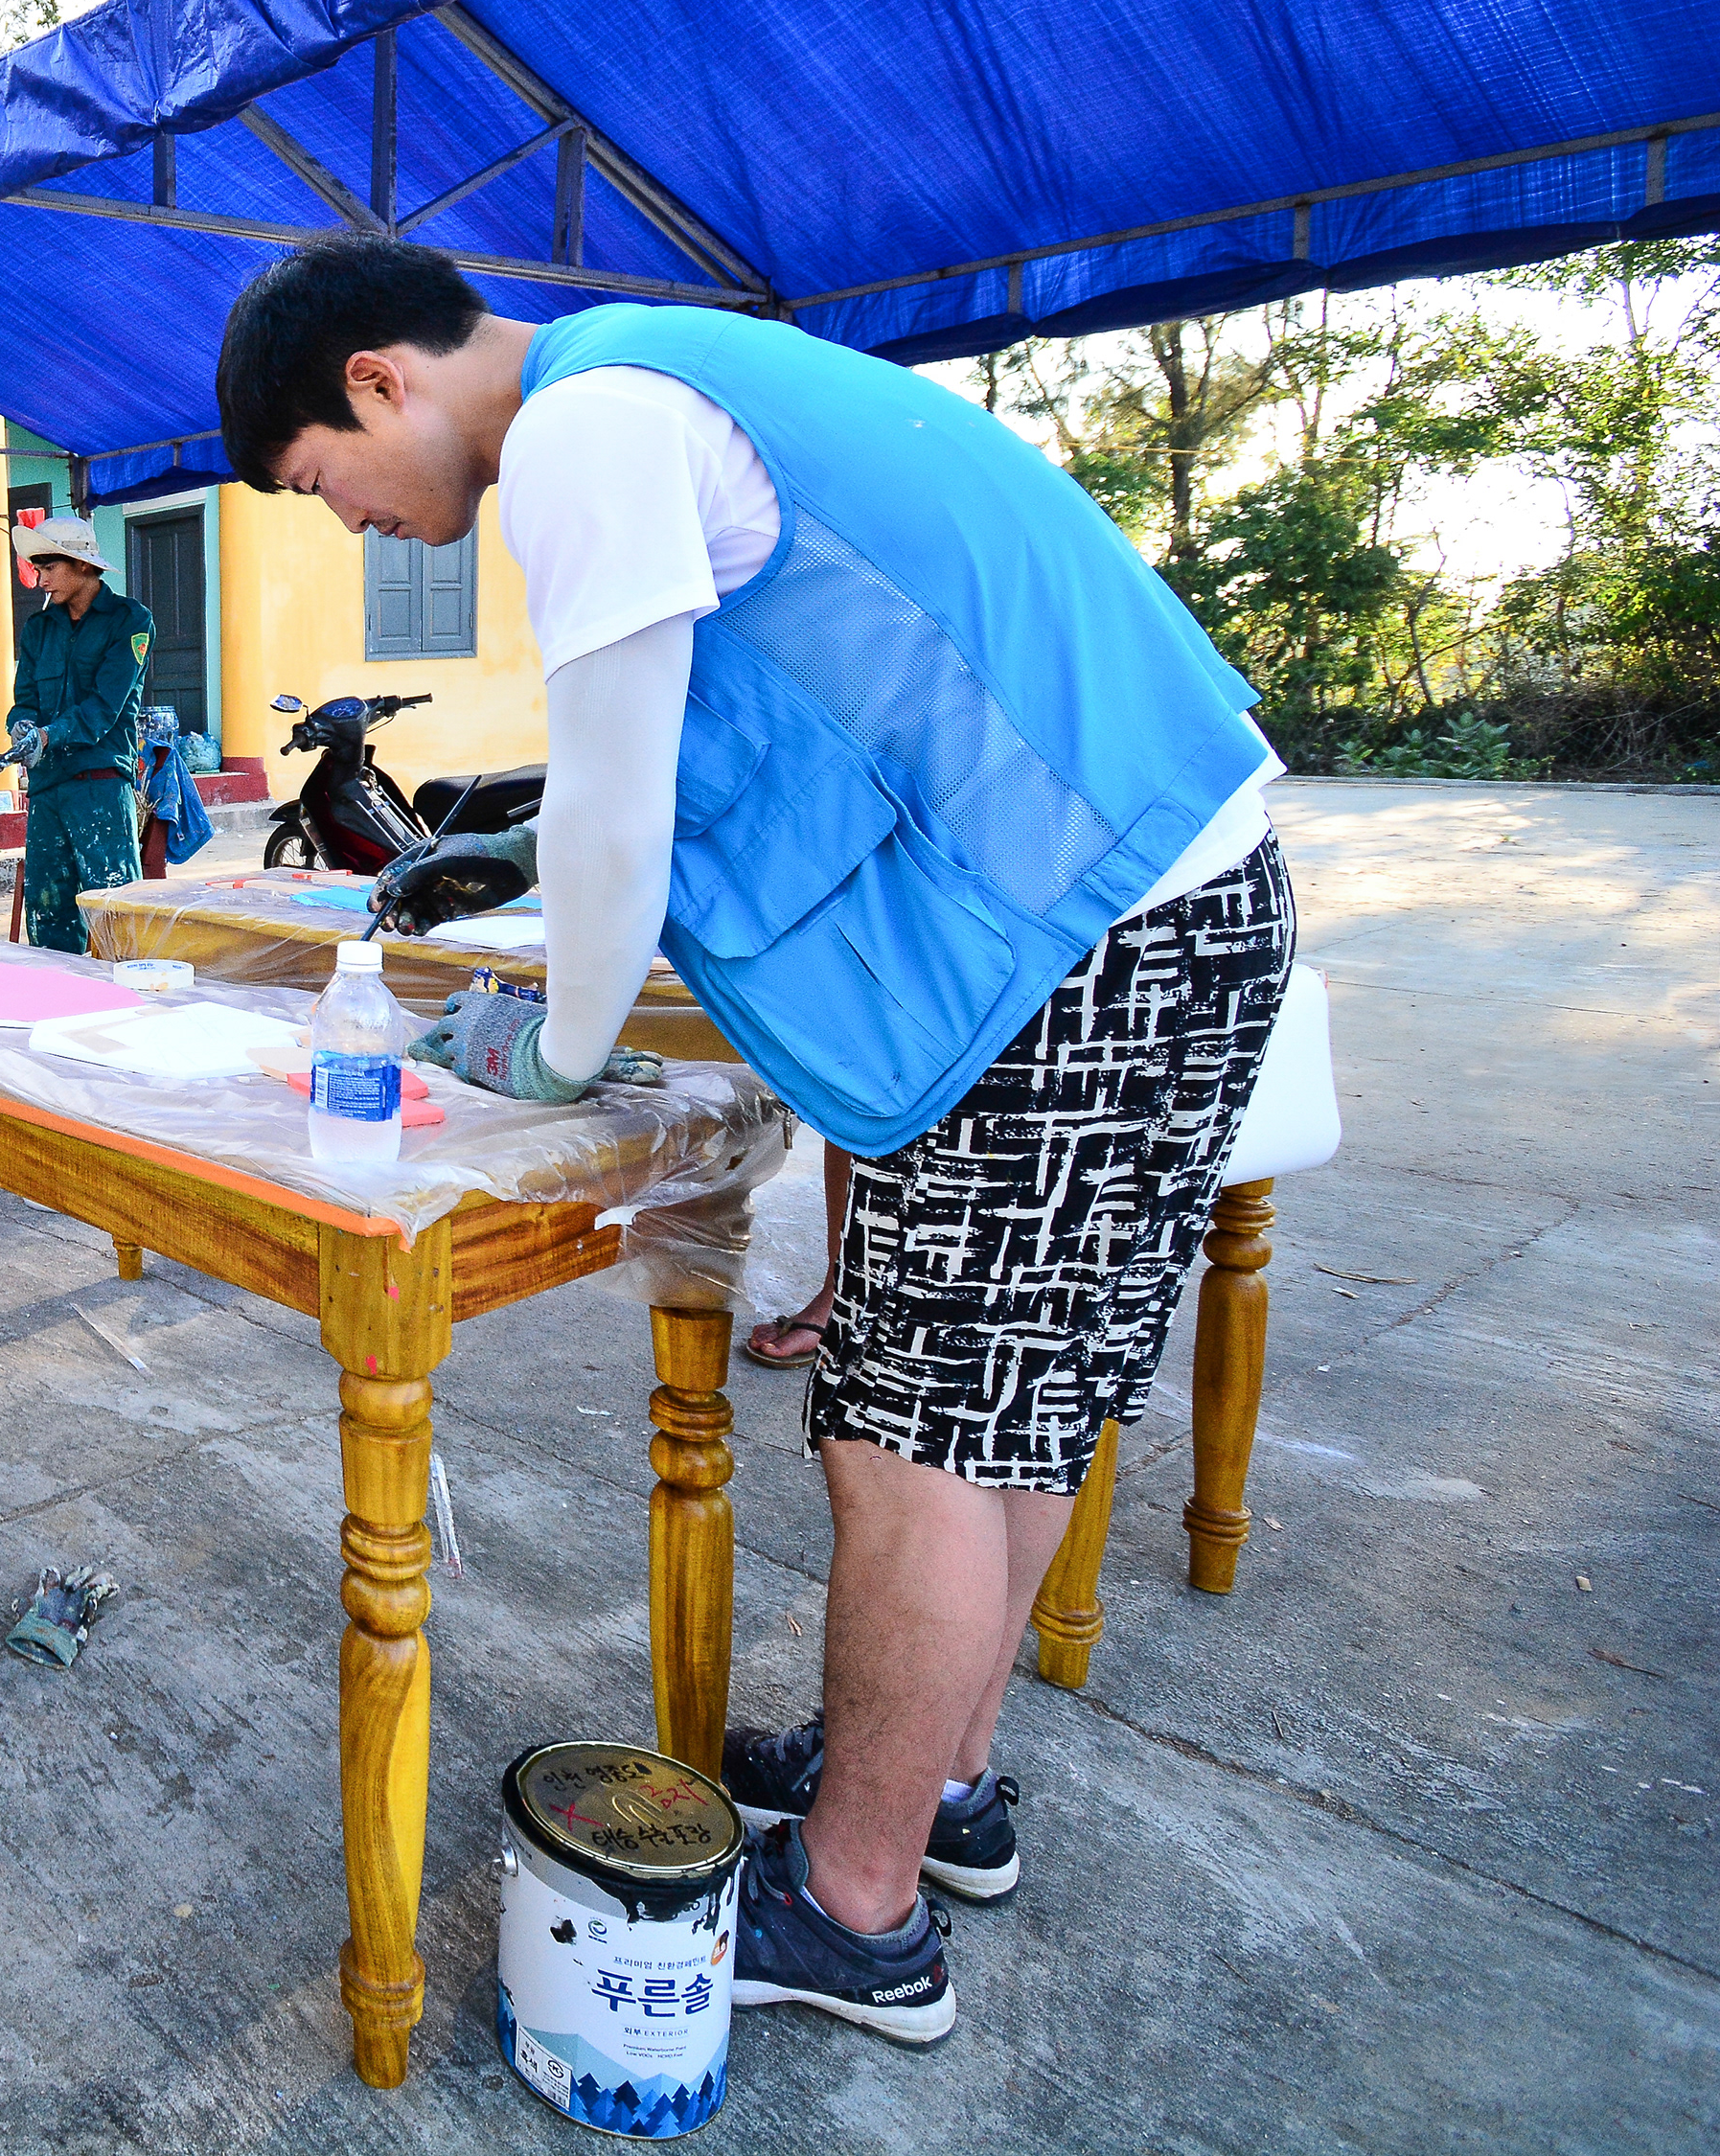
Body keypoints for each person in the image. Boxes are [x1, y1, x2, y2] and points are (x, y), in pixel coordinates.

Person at [217, 234, 1290, 2046]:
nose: (366, 528)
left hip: (1083, 932)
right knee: (1003, 1412)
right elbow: (727, 770)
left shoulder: (585, 431)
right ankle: (931, 1791)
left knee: (912, 1448)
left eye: (326, 489)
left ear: (380, 383)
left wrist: (548, 1053)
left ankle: (856, 1914)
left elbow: (625, 808)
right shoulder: (667, 379)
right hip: (1159, 906)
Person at [0, 513, 154, 952]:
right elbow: (24, 696)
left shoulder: (130, 620)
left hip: (99, 783)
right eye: (39, 568)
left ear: (83, 565)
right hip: (48, 786)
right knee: (48, 911)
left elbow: (105, 707)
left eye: (49, 567)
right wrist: (22, 729)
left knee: (114, 910)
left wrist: (46, 736)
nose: (41, 578)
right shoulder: (38, 628)